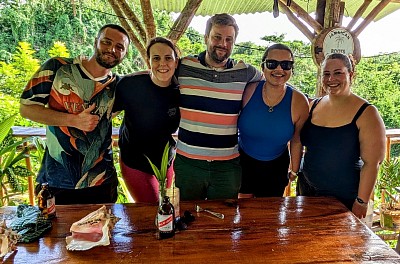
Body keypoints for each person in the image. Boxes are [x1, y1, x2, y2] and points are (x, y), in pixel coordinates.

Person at [19, 24, 130, 204]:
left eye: (120, 47)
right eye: (107, 42)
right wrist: (73, 120)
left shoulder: (118, 85)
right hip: (57, 179)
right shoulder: (58, 67)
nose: (112, 49)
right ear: (96, 42)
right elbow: (26, 108)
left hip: (102, 180)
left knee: (103, 231)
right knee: (55, 232)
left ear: (124, 54)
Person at [175, 13, 263, 201]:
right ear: (206, 38)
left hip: (227, 166)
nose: (223, 44)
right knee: (187, 220)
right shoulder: (183, 67)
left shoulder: (244, 71)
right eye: (217, 37)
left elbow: (272, 81)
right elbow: (158, 74)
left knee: (225, 223)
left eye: (228, 39)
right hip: (188, 163)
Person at [297, 53, 386, 218]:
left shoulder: (367, 113)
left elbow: (372, 163)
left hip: (344, 199)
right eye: (326, 74)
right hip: (307, 191)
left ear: (351, 75)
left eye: (338, 73)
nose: (331, 79)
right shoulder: (313, 105)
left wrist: (361, 201)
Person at [113, 37, 180, 203]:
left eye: (168, 58)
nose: (162, 63)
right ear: (148, 62)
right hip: (135, 162)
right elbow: (105, 115)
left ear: (176, 62)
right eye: (156, 58)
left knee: (165, 208)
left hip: (166, 160)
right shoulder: (130, 86)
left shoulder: (180, 89)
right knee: (151, 210)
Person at [237, 44, 309, 198]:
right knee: (243, 212)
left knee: (269, 215)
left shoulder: (299, 101)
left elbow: (297, 140)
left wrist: (294, 169)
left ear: (291, 69)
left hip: (276, 166)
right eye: (272, 64)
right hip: (243, 161)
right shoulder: (248, 91)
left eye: (286, 65)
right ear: (263, 67)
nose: (279, 69)